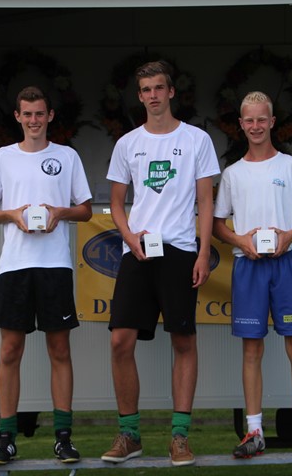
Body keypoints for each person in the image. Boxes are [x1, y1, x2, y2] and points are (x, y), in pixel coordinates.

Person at [101, 60, 220, 467]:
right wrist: (129, 237)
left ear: (171, 92)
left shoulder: (197, 140)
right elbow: (116, 203)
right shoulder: (127, 143)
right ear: (140, 96)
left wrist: (203, 252)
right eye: (146, 90)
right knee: (120, 341)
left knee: (183, 341)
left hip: (181, 251)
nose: (153, 95)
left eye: (159, 88)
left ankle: (180, 437)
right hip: (138, 252)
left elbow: (206, 201)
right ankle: (129, 435)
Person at [213, 91, 292, 458]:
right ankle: (254, 432)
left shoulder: (291, 166)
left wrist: (289, 235)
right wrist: (240, 240)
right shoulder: (232, 174)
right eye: (249, 120)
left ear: (272, 122)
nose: (255, 126)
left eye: (261, 119)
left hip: (287, 264)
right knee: (252, 349)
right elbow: (217, 225)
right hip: (248, 266)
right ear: (241, 124)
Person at [0, 86, 92, 465]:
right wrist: (12, 215)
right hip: (14, 265)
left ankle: (63, 438)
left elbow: (85, 210)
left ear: (50, 116)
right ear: (17, 117)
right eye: (27, 114)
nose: (33, 120)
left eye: (39, 114)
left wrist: (60, 213)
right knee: (10, 351)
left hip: (55, 265)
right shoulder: (2, 157)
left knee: (60, 350)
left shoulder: (67, 156)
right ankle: (6, 438)